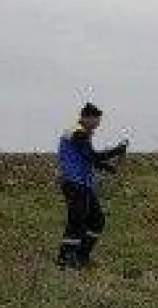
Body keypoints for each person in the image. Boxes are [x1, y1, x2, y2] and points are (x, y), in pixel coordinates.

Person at [54, 102, 128, 269]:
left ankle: (81, 256)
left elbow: (86, 158)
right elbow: (92, 156)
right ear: (87, 118)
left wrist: (108, 168)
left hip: (84, 184)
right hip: (75, 183)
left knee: (97, 220)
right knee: (77, 221)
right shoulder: (77, 133)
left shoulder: (81, 133)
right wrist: (117, 150)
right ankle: (65, 259)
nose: (98, 125)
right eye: (96, 121)